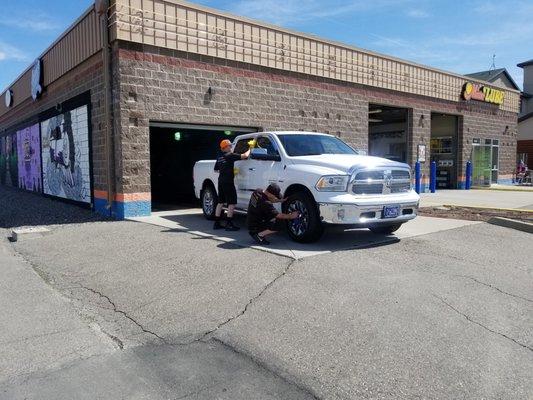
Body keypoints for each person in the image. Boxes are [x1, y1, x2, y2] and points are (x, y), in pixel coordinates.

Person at [213, 139, 251, 231]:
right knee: (232, 203)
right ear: (225, 147)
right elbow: (245, 156)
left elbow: (216, 169)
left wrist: (227, 170)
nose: (231, 146)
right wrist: (251, 148)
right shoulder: (230, 155)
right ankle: (229, 224)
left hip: (221, 181)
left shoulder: (220, 157)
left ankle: (216, 223)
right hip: (228, 182)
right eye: (230, 145)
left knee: (220, 202)